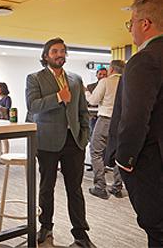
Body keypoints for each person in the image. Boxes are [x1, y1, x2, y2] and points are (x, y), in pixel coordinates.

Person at [106, 0, 163, 247]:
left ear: (145, 24)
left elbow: (135, 118)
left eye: (131, 24)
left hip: (149, 161)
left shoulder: (144, 60)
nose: (131, 31)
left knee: (156, 228)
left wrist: (124, 159)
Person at [26, 38, 95, 247]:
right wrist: (58, 96)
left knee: (75, 189)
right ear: (46, 55)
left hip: (74, 142)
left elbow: (83, 110)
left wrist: (85, 136)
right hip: (47, 142)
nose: (60, 55)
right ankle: (45, 225)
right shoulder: (34, 78)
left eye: (63, 51)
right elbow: (32, 105)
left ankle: (81, 234)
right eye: (55, 51)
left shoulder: (75, 79)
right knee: (47, 187)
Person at [86, 60, 125, 200]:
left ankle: (100, 187)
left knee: (96, 152)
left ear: (111, 69)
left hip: (105, 120)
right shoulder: (128, 83)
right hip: (122, 123)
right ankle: (117, 187)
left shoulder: (106, 81)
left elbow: (93, 101)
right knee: (118, 154)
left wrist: (86, 93)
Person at [86, 67, 108, 135]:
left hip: (104, 114)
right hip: (93, 114)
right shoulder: (90, 86)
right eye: (100, 74)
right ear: (96, 75)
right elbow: (88, 101)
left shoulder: (109, 85)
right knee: (93, 134)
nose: (102, 76)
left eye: (104, 74)